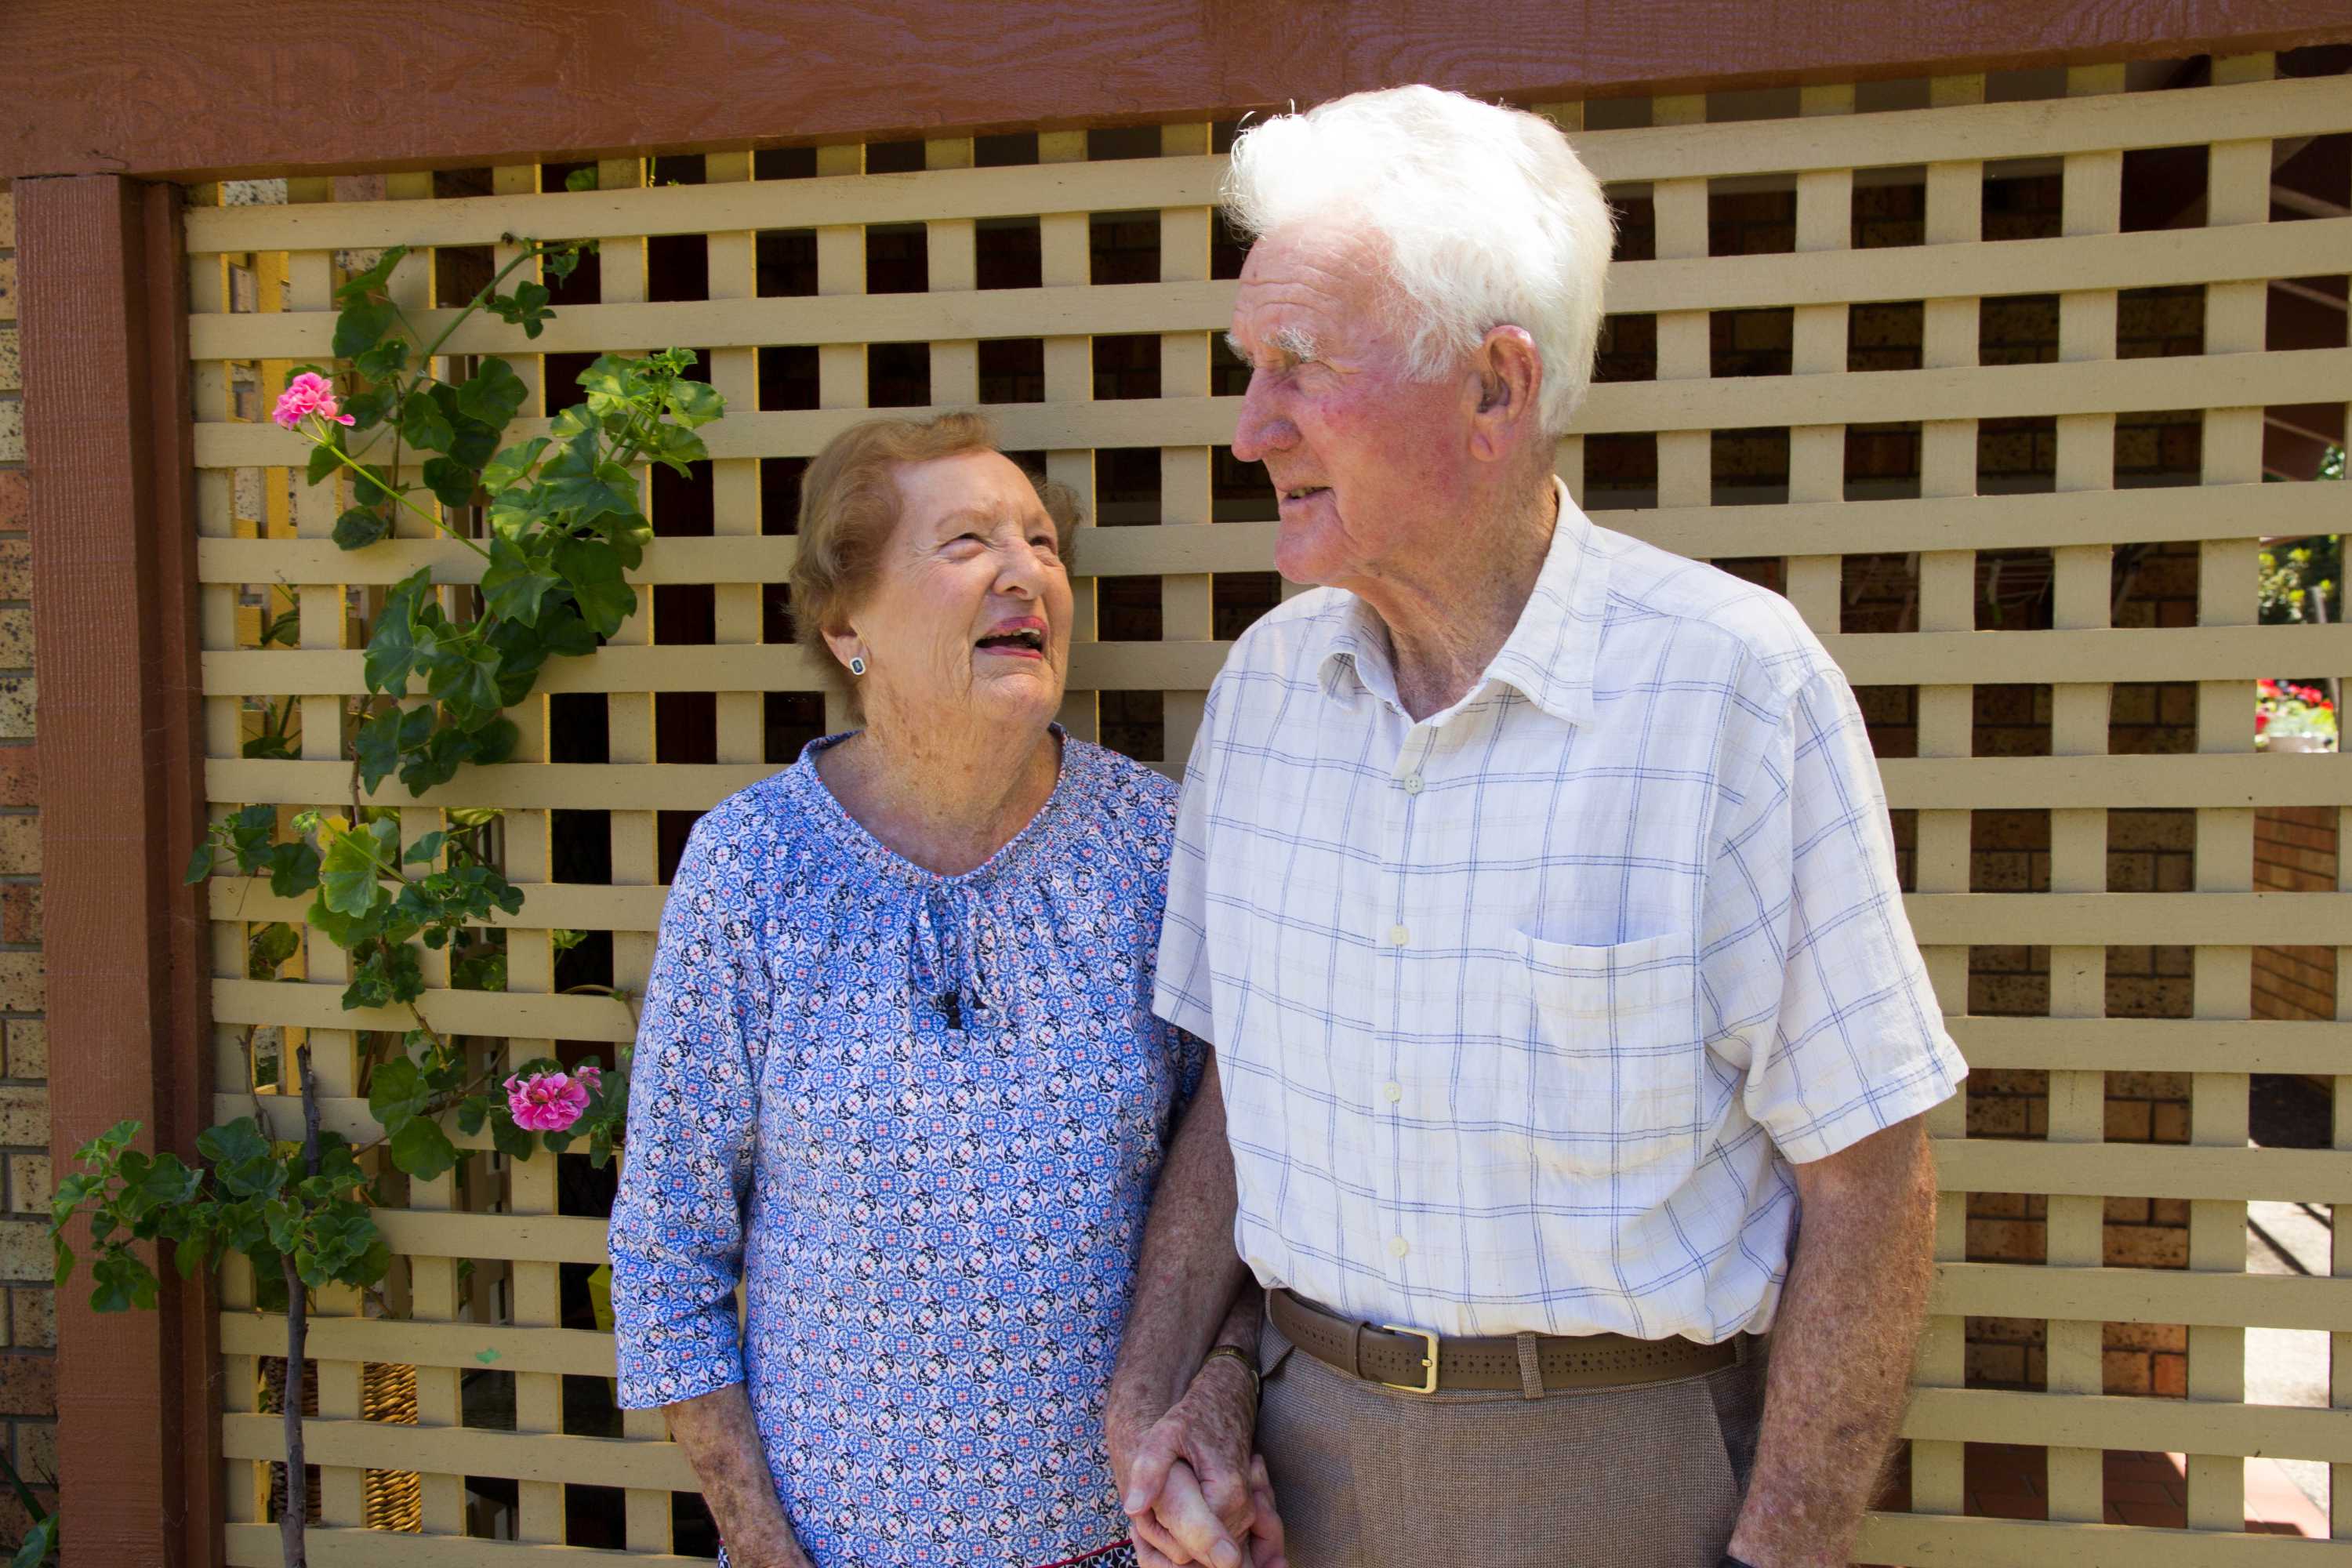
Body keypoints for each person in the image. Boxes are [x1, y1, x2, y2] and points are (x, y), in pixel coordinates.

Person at [1108, 85, 1968, 1568]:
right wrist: (1169, 1395)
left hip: (1619, 1489)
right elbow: (1245, 1101)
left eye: (1300, 368)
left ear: (1496, 390)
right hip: (1293, 1488)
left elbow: (1870, 1181)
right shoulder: (1263, 693)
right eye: (1251, 368)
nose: (1251, 430)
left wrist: (1781, 1554)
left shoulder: (1732, 691)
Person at [607, 413, 1277, 1568]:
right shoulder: (750, 869)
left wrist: (1213, 1396)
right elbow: (668, 1250)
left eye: (1041, 545)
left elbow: (1242, 1193)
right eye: (967, 543)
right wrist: (760, 1547)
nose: (1026, 572)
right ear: (848, 623)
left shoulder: (1156, 849)